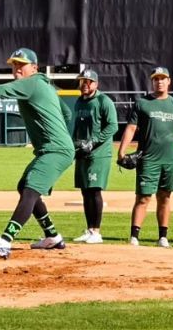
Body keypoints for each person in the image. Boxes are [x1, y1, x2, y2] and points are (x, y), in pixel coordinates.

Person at [0, 48, 74, 258]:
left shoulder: (32, 82)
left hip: (56, 150)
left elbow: (3, 90)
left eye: (21, 64)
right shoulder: (45, 86)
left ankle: (5, 240)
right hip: (54, 148)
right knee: (24, 186)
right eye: (14, 64)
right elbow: (67, 113)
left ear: (34, 67)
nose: (16, 68)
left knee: (30, 191)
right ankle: (52, 236)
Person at [118, 67, 173, 248]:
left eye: (162, 78)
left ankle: (163, 236)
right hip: (148, 159)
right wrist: (122, 151)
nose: (159, 81)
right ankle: (135, 236)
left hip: (169, 160)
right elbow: (131, 128)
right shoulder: (143, 103)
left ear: (169, 81)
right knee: (143, 197)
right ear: (152, 82)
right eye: (156, 79)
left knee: (165, 197)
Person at [71, 69, 118, 244]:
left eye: (89, 81)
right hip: (82, 151)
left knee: (94, 189)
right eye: (82, 81)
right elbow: (77, 127)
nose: (85, 84)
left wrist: (94, 141)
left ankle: (97, 232)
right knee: (85, 191)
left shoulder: (103, 101)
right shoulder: (79, 102)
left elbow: (112, 126)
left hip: (98, 153)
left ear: (96, 84)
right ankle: (90, 229)